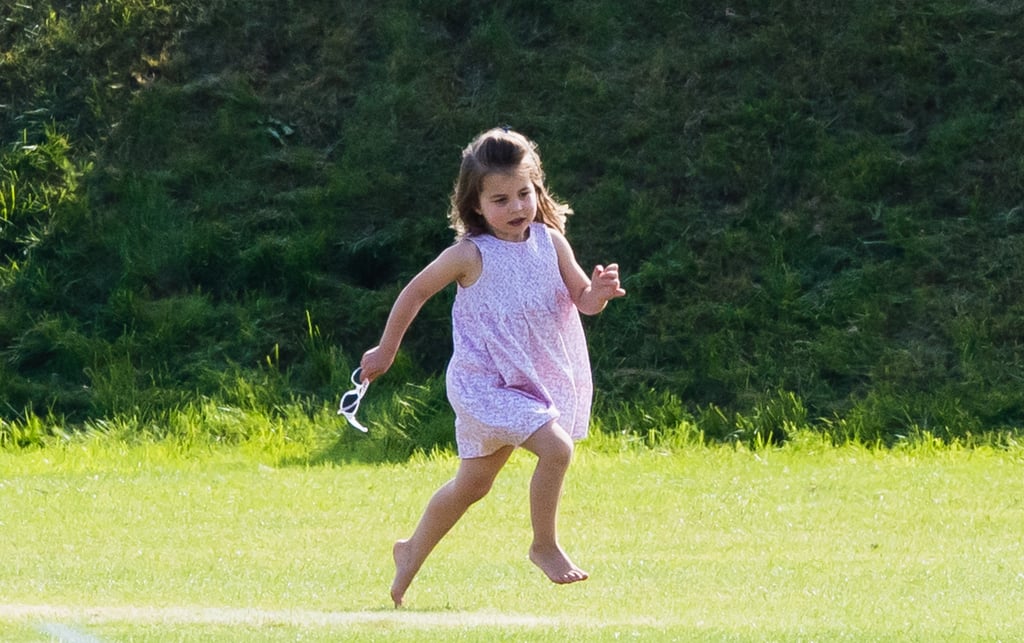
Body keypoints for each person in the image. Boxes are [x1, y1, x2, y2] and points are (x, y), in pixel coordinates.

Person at [359, 127, 626, 608]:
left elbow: (582, 300)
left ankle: (409, 551)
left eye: (524, 193)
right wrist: (385, 350)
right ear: (475, 204)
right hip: (484, 384)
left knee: (472, 485)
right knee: (557, 449)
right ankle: (543, 545)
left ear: (537, 190)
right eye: (500, 199)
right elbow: (415, 292)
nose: (516, 207)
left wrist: (599, 294)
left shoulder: (551, 242)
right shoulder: (470, 254)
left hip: (531, 385)